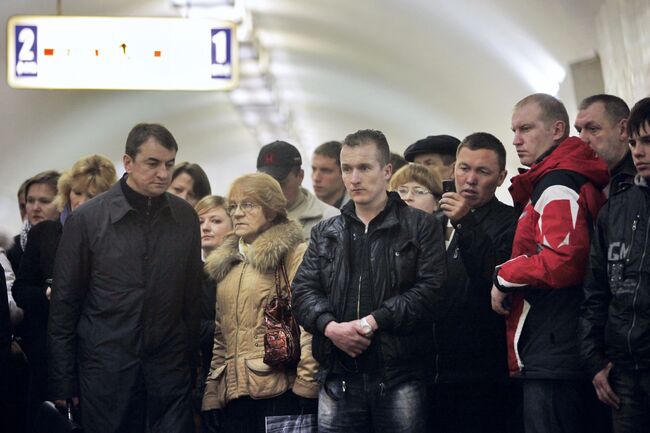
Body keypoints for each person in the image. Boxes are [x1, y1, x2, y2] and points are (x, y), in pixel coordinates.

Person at [48, 123, 203, 433]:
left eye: (169, 164)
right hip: (106, 372)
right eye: (153, 163)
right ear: (128, 162)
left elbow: (191, 300)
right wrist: (64, 383)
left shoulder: (185, 218)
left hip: (168, 373)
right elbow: (65, 305)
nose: (163, 173)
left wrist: (189, 366)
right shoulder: (88, 220)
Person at [292, 129, 447, 433]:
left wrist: (372, 322)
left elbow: (431, 291)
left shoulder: (420, 226)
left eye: (364, 168)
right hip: (338, 377)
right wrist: (330, 327)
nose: (354, 178)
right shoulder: (327, 232)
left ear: (387, 171)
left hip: (399, 376)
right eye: (347, 169)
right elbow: (302, 291)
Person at [491, 93, 609, 433]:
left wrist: (504, 276)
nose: (516, 140)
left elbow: (563, 260)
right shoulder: (553, 180)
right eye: (514, 130)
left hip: (556, 345)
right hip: (558, 341)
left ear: (557, 129)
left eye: (526, 129)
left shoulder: (557, 184)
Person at [201, 173, 318, 433]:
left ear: (272, 209)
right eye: (233, 206)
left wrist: (306, 385)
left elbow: (308, 324)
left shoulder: (293, 254)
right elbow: (221, 336)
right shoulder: (227, 264)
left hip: (280, 390)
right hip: (233, 395)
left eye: (248, 205)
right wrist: (211, 394)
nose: (238, 213)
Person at [13, 155, 116, 429]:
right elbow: (21, 290)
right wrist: (48, 294)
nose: (81, 201)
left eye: (92, 195)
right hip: (48, 352)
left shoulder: (114, 239)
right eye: (77, 192)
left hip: (98, 356)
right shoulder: (45, 234)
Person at [433, 132, 515, 433]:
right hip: (438, 367)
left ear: (501, 177)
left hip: (484, 368)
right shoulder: (435, 222)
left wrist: (466, 222)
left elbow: (493, 278)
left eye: (482, 172)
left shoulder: (511, 221)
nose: (469, 179)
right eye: (464, 168)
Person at [579, 96, 650, 432]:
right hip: (624, 374)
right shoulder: (616, 207)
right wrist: (594, 361)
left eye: (648, 142)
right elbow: (596, 290)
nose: (638, 151)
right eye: (634, 142)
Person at [257, 140, 339, 241]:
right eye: (266, 183)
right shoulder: (249, 218)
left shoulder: (330, 219)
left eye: (280, 183)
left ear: (300, 176)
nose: (272, 190)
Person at [194, 196, 232, 389]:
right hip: (202, 373)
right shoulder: (190, 273)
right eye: (200, 221)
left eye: (215, 221)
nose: (206, 227)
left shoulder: (243, 269)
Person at [575, 94, 634, 196]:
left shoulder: (643, 180)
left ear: (623, 129)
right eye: (579, 131)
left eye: (593, 129)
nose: (582, 139)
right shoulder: (580, 185)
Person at [7, 171, 60, 273]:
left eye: (45, 201)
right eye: (30, 201)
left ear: (62, 204)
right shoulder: (12, 247)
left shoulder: (73, 242)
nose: (35, 208)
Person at [311, 140, 350, 209]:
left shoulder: (363, 212)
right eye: (314, 169)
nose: (316, 178)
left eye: (325, 171)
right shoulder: (304, 209)